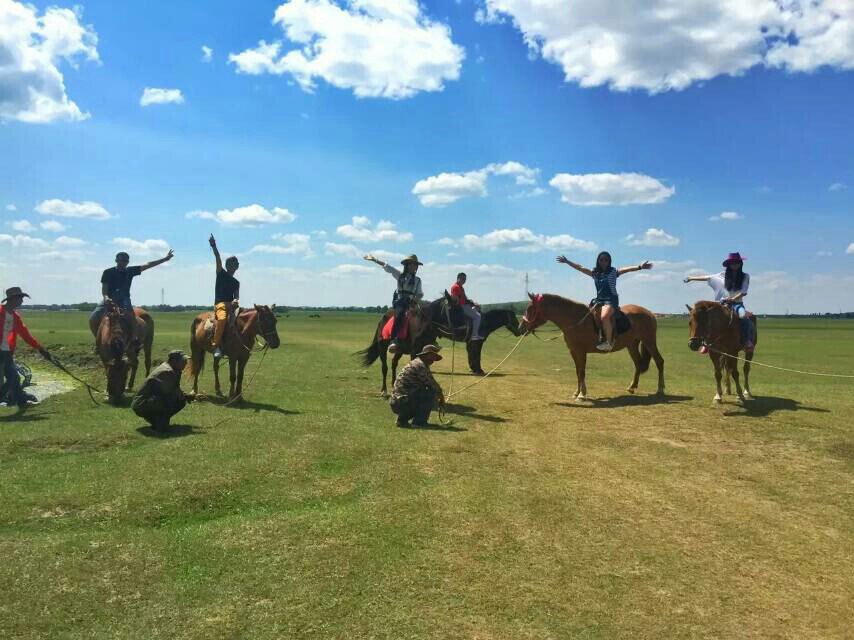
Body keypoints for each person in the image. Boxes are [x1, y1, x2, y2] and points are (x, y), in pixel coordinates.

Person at [556, 252, 653, 351]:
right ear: (598, 261)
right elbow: (580, 267)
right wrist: (567, 262)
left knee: (605, 317)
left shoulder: (613, 272)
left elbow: (626, 269)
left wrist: (640, 267)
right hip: (598, 301)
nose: (603, 262)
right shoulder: (595, 273)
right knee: (586, 317)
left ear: (609, 261)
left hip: (611, 300)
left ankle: (609, 342)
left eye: (606, 260)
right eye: (601, 259)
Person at [90, 249, 174, 344]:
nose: (122, 263)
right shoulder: (108, 272)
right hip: (110, 299)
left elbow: (148, 265)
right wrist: (106, 298)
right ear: (116, 261)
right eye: (120, 260)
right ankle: (98, 341)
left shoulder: (130, 271)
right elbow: (104, 289)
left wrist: (165, 259)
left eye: (125, 261)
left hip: (124, 299)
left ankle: (134, 337)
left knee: (131, 316)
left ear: (128, 262)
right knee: (95, 316)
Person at [684, 251, 754, 351]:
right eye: (733, 263)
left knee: (744, 318)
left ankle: (747, 341)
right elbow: (707, 277)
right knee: (708, 320)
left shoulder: (745, 276)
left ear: (740, 264)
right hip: (721, 304)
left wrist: (733, 299)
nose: (735, 265)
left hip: (737, 304)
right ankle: (707, 343)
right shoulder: (721, 275)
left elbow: (744, 291)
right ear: (729, 264)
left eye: (737, 262)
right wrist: (691, 278)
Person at [0, 287, 51, 408]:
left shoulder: (15, 317)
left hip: (6, 351)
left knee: (13, 376)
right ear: (13, 299)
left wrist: (40, 349)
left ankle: (19, 400)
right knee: (13, 377)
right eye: (20, 298)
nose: (22, 301)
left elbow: (26, 335)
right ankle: (19, 400)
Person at [364, 253, 424, 354]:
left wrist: (416, 300)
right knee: (399, 315)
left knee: (424, 316)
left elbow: (419, 294)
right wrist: (375, 260)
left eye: (414, 265)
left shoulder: (418, 280)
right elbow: (388, 267)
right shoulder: (400, 275)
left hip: (412, 303)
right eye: (410, 264)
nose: (412, 266)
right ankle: (394, 340)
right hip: (400, 302)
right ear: (406, 265)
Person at [131, 350, 192, 431]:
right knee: (173, 399)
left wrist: (187, 396)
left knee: (178, 399)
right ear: (174, 361)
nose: (185, 363)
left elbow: (175, 389)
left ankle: (158, 421)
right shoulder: (167, 371)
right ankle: (159, 423)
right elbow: (169, 391)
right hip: (142, 404)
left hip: (147, 401)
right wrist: (186, 396)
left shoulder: (173, 369)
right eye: (183, 361)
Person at [389, 344, 444, 427]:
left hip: (398, 401)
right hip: (402, 402)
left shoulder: (419, 363)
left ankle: (402, 420)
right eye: (432, 357)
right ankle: (419, 423)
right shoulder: (420, 365)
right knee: (430, 392)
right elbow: (431, 384)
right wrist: (440, 395)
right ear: (426, 355)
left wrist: (440, 393)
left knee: (424, 392)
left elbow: (431, 381)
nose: (433, 361)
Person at [209, 234, 240, 360]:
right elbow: (217, 257)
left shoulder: (236, 282)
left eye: (235, 264)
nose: (233, 266)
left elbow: (237, 296)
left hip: (231, 305)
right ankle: (216, 346)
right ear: (227, 266)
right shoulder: (220, 273)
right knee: (222, 320)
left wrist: (236, 301)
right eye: (231, 264)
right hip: (220, 304)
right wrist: (214, 246)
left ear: (237, 267)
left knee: (243, 321)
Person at [450, 272, 483, 340]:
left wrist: (473, 304)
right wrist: (472, 304)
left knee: (477, 310)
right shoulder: (455, 287)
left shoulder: (460, 287)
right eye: (462, 278)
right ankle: (474, 335)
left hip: (464, 306)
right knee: (478, 316)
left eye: (465, 279)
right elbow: (457, 300)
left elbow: (464, 299)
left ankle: (471, 331)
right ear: (458, 278)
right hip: (461, 307)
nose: (463, 280)